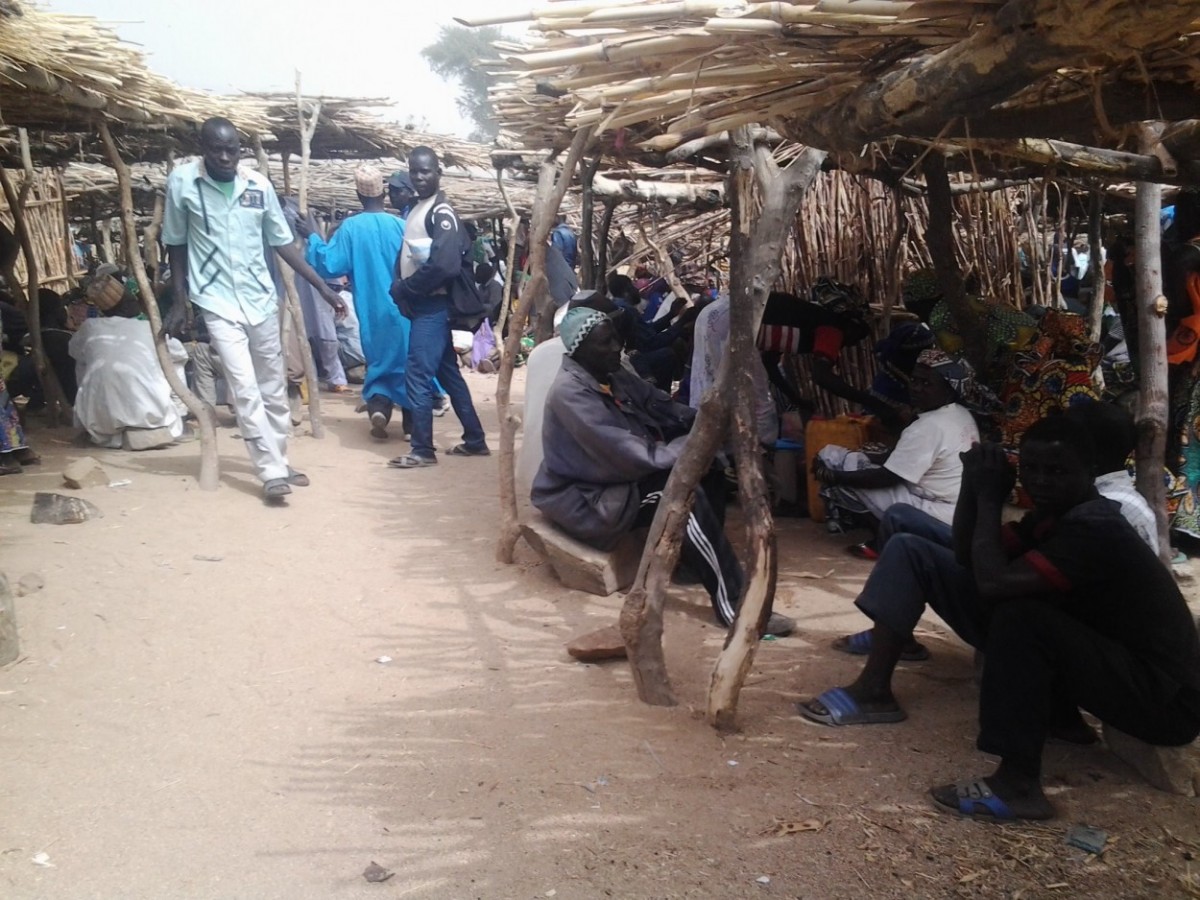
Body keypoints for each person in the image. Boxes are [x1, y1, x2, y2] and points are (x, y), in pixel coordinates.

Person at [799, 416, 1200, 822]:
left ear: (1092, 471)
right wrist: (974, 487)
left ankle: (1019, 784)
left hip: (1164, 704)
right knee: (915, 551)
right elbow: (966, 555)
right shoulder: (1053, 518)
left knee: (1021, 615)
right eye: (1032, 470)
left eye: (1057, 471)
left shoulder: (1096, 527)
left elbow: (992, 583)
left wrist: (991, 500)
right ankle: (876, 692)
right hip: (1124, 671)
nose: (1041, 481)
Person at [533, 308, 794, 636]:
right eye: (605, 343)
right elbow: (629, 454)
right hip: (589, 500)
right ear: (578, 350)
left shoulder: (611, 375)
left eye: (615, 337)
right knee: (684, 493)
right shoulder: (569, 394)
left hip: (616, 481)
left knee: (708, 466)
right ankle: (739, 606)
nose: (617, 347)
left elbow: (661, 405)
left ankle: (689, 562)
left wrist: (706, 422)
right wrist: (697, 444)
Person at [163, 117, 346, 502]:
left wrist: (325, 290)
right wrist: (180, 301)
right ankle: (269, 472)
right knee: (244, 388)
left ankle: (279, 459)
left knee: (274, 388)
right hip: (215, 300)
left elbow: (283, 245)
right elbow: (176, 244)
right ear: (203, 148)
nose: (226, 157)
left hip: (260, 298)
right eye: (218, 149)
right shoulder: (182, 183)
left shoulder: (258, 186)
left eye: (233, 149)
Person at [388, 146, 489, 468]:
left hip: (433, 307)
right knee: (449, 374)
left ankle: (422, 450)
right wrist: (400, 286)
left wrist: (406, 288)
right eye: (414, 171)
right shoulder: (420, 208)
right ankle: (474, 440)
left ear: (437, 173)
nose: (419, 177)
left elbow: (443, 266)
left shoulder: (440, 213)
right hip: (428, 305)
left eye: (425, 171)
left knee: (417, 376)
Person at [813, 349, 981, 539]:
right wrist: (865, 457)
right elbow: (899, 459)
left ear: (949, 390)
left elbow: (886, 478)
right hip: (959, 511)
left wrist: (833, 476)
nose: (916, 388)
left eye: (926, 383)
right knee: (848, 461)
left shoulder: (928, 427)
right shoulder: (960, 414)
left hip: (938, 513)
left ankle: (882, 538)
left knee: (837, 463)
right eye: (915, 380)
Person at [297, 165, 412, 439]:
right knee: (407, 362)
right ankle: (412, 425)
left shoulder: (350, 228)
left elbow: (329, 264)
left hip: (371, 309)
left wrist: (312, 236)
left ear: (358, 195)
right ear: (383, 192)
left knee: (378, 360)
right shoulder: (401, 226)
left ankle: (379, 407)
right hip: (404, 308)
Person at [69, 287, 188, 450]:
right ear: (124, 306)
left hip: (100, 421)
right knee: (175, 360)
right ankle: (182, 411)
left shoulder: (90, 326)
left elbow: (73, 350)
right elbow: (180, 352)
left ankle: (90, 415)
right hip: (152, 414)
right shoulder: (148, 327)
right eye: (131, 300)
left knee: (83, 361)